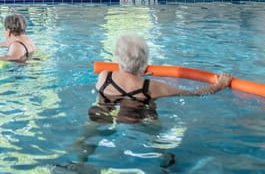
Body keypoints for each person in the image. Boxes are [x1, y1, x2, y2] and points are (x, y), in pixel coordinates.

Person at [91, 34, 232, 124]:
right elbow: (194, 93)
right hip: (139, 118)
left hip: (104, 113)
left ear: (117, 58)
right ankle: (163, 156)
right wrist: (220, 85)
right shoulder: (152, 86)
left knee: (96, 118)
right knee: (153, 124)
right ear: (145, 63)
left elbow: (124, 79)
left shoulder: (104, 76)